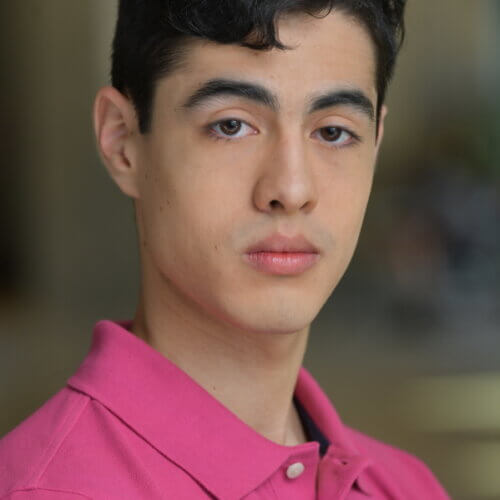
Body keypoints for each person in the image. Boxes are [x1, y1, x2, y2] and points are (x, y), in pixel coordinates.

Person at [0, 1, 451, 498]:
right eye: (231, 125)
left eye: (333, 132)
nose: (291, 188)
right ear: (122, 139)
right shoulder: (42, 488)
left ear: (376, 143)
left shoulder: (407, 486)